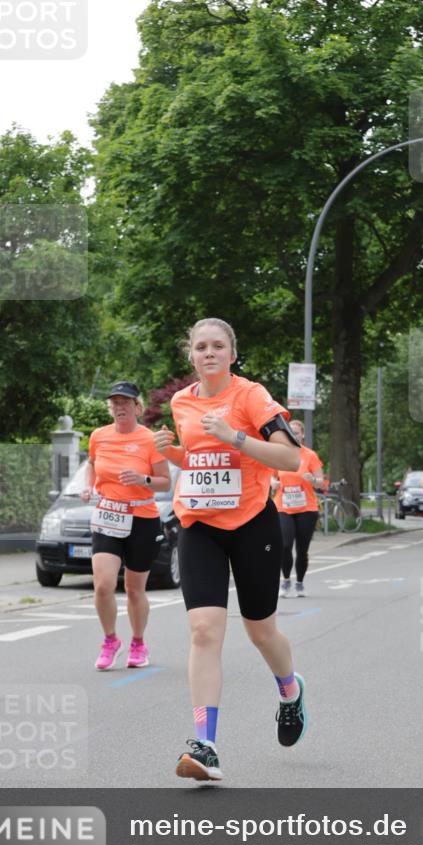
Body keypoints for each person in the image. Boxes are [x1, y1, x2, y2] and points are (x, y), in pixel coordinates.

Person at [154, 318, 305, 782]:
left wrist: (235, 436)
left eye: (218, 346)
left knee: (261, 632)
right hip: (199, 524)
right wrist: (172, 453)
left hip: (251, 523)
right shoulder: (181, 402)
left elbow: (291, 458)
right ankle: (206, 745)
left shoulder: (252, 396)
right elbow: (200, 459)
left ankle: (289, 690)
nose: (209, 353)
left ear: (232, 354)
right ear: (191, 356)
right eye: (201, 347)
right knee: (203, 630)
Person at [82, 381, 170, 671]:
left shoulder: (149, 439)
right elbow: (92, 464)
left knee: (134, 589)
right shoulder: (99, 436)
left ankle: (138, 642)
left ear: (137, 406)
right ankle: (110, 640)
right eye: (115, 403)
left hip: (141, 519)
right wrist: (88, 486)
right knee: (103, 585)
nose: (119, 407)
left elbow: (164, 481)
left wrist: (143, 480)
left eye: (125, 402)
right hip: (108, 515)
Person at [272, 419, 324, 597]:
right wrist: (273, 483)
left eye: (297, 432)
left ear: (302, 435)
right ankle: (286, 580)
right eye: (290, 432)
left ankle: (300, 582)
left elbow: (320, 482)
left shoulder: (310, 455)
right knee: (285, 545)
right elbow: (270, 478)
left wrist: (312, 480)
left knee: (302, 549)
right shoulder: (279, 454)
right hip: (283, 507)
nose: (294, 435)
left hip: (306, 509)